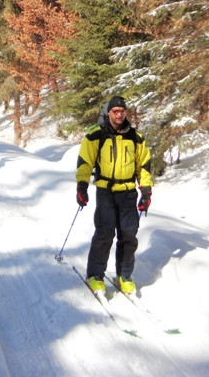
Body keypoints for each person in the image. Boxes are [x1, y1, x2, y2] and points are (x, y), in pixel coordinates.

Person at [75, 95, 152, 294]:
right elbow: (85, 162)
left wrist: (146, 191)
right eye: (115, 111)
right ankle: (95, 275)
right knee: (105, 232)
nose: (119, 114)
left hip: (127, 193)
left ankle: (124, 275)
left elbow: (143, 166)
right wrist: (81, 187)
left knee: (128, 234)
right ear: (108, 113)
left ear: (125, 113)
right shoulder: (96, 135)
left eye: (122, 111)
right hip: (105, 192)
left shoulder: (136, 138)